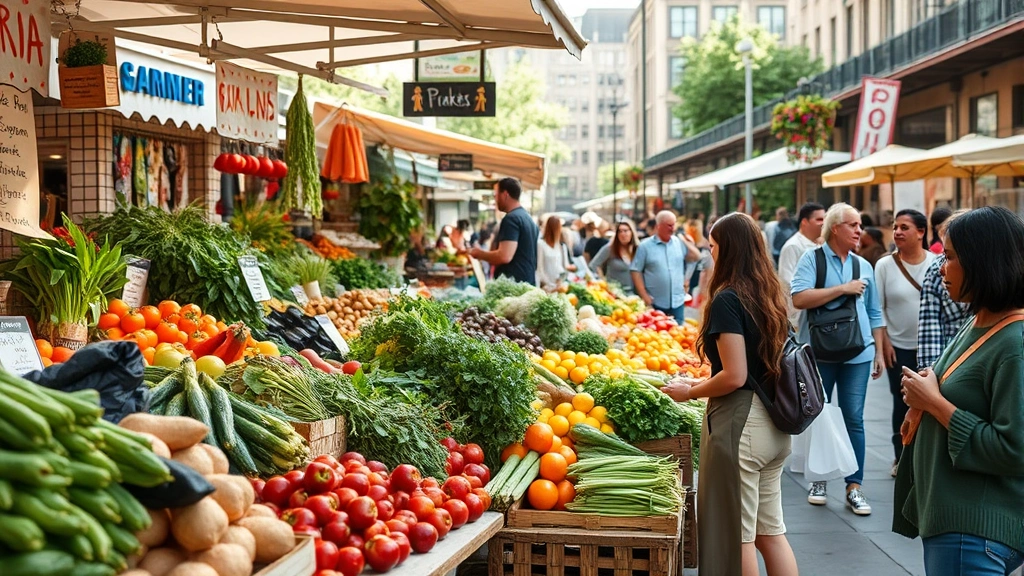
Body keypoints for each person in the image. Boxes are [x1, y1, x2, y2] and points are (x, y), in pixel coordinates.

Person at [662, 213, 798, 576]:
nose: (710, 253)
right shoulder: (770, 293)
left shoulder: (727, 299)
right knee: (771, 534)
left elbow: (734, 375)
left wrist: (689, 390)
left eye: (713, 246)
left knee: (738, 538)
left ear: (729, 248)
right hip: (774, 424)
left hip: (744, 427)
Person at [894, 206, 1024, 576]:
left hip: (973, 531)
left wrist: (934, 403)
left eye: (949, 257)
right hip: (956, 522)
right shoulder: (976, 322)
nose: (939, 267)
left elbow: (1013, 449)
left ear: (983, 262)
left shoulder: (1014, 342)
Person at [791, 202, 885, 516]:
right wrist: (842, 288)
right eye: (854, 225)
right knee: (819, 414)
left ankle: (854, 487)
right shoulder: (812, 259)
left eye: (859, 225)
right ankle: (819, 479)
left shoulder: (863, 265)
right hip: (819, 351)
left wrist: (879, 350)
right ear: (836, 228)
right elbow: (800, 297)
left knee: (853, 417)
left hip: (859, 352)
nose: (860, 231)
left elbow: (874, 312)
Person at [874, 209, 936, 477]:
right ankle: (901, 457)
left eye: (904, 227)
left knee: (931, 402)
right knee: (901, 402)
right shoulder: (885, 265)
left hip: (932, 349)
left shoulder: (936, 262)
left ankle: (925, 458)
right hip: (897, 347)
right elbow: (878, 307)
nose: (897, 232)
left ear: (921, 232)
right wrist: (883, 342)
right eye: (895, 226)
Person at [916, 212, 970, 371]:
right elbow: (930, 325)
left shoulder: (988, 271)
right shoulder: (936, 270)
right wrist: (929, 372)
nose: (942, 268)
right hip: (950, 357)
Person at [631, 211, 700, 323]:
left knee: (679, 336)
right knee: (657, 338)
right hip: (655, 303)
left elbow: (696, 256)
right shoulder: (645, 246)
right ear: (659, 226)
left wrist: (684, 240)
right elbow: (635, 270)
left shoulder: (678, 243)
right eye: (669, 225)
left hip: (677, 302)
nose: (672, 228)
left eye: (674, 224)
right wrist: (644, 295)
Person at [470, 178, 538, 284]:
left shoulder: (511, 219)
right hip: (526, 283)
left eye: (496, 195)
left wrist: (479, 254)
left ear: (505, 194)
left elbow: (504, 256)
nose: (495, 199)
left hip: (513, 287)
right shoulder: (528, 218)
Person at [778, 202, 825, 330]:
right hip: (798, 318)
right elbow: (786, 280)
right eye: (819, 219)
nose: (823, 223)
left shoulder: (820, 245)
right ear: (804, 222)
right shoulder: (793, 246)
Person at [590, 220, 638, 293]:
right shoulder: (610, 248)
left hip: (634, 293)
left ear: (632, 232)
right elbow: (594, 265)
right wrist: (603, 282)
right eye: (619, 231)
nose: (622, 234)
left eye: (625, 231)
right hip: (615, 293)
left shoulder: (638, 249)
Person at [536, 216, 572, 290]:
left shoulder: (562, 246)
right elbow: (540, 268)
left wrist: (560, 281)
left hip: (560, 285)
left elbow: (565, 266)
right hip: (546, 287)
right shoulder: (541, 244)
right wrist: (549, 284)